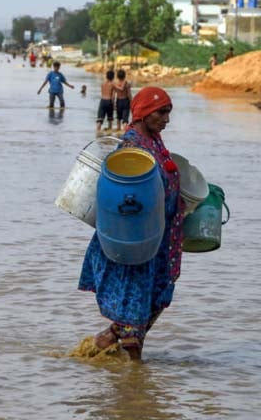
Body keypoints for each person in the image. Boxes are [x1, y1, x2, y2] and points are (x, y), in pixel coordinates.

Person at [79, 86, 185, 361]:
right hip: (136, 242)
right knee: (134, 307)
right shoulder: (131, 147)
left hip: (159, 239)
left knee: (154, 300)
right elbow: (127, 196)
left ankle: (104, 346)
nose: (166, 120)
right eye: (161, 112)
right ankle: (135, 385)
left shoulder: (154, 142)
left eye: (168, 113)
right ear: (144, 112)